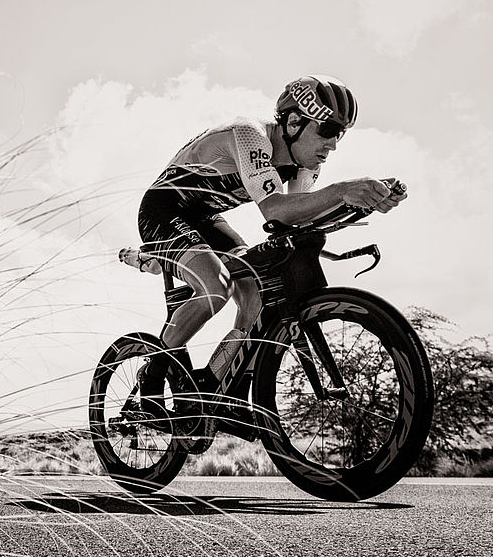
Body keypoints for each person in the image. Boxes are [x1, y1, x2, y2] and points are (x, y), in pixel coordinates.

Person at [136, 75, 407, 412]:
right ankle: (151, 376)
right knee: (216, 287)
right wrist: (341, 190)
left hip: (206, 220)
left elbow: (298, 219)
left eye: (340, 135)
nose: (333, 144)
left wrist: (365, 201)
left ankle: (214, 387)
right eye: (327, 131)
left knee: (253, 296)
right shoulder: (251, 134)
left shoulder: (303, 164)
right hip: (163, 210)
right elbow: (275, 210)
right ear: (294, 122)